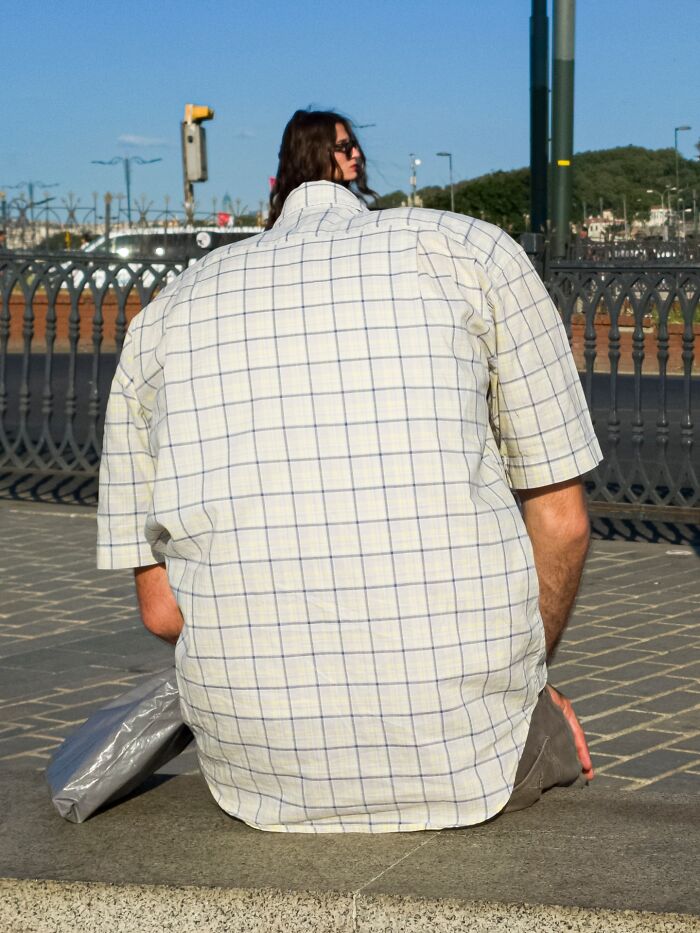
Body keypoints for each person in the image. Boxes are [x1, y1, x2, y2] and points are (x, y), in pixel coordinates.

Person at [97, 108, 602, 832]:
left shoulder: (163, 316)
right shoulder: (472, 252)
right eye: (344, 147)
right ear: (330, 161)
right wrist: (527, 687)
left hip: (254, 769)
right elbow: (562, 522)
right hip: (469, 753)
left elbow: (163, 611)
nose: (354, 156)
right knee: (558, 747)